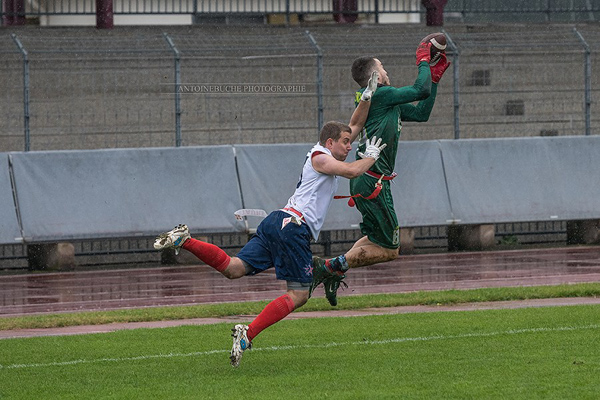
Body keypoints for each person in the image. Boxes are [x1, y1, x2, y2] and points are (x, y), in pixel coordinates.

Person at [153, 73, 383, 368]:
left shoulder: (327, 151)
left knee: (234, 269)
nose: (350, 146)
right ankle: (247, 334)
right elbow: (352, 171)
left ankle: (185, 240)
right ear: (330, 142)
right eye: (346, 143)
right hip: (293, 228)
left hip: (278, 221)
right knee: (299, 294)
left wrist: (366, 98)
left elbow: (355, 125)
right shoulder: (321, 156)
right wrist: (372, 157)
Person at [310, 38, 451, 306]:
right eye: (382, 67)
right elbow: (418, 91)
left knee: (375, 239)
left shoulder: (383, 100)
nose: (387, 71)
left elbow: (421, 113)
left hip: (366, 181)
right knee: (390, 249)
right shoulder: (382, 94)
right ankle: (329, 266)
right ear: (375, 75)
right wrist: (423, 61)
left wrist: (433, 80)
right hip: (373, 181)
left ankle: (334, 271)